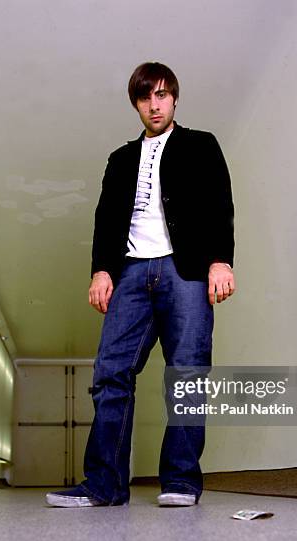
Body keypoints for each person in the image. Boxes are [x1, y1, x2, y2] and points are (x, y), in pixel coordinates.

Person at [46, 62, 235, 507]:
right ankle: (104, 485)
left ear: (175, 99)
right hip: (130, 271)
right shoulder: (120, 159)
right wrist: (101, 270)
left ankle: (181, 481)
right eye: (146, 96)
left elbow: (219, 205)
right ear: (136, 103)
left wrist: (220, 261)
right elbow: (105, 219)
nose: (155, 104)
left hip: (183, 270)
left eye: (163, 94)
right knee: (110, 373)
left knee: (187, 373)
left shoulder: (201, 145)